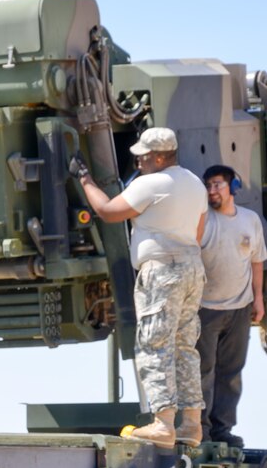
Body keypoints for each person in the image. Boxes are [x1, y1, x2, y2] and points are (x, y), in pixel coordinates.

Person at [69, 127, 207, 448]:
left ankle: (162, 424)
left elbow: (107, 211)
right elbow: (198, 234)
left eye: (143, 156)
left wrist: (85, 179)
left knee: (153, 344)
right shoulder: (194, 183)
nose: (139, 161)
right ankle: (191, 425)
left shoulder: (152, 183)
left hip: (162, 272)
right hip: (192, 269)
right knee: (185, 346)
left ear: (160, 156)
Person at [196, 165, 267, 448]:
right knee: (204, 370)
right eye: (208, 186)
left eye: (217, 185)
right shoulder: (202, 221)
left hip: (239, 308)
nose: (212, 191)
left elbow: (257, 261)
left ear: (232, 188)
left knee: (231, 371)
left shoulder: (250, 220)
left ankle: (223, 429)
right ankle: (200, 428)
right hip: (205, 307)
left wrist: (258, 298)